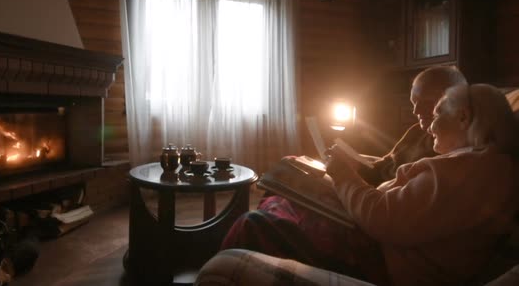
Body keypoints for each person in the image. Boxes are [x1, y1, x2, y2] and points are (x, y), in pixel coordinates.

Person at [219, 67, 467, 280]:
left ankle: (246, 263)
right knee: (288, 174)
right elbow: (385, 163)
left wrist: (346, 175)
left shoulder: (450, 155)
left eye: (427, 104)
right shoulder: (417, 132)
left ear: (456, 104)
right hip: (363, 192)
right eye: (414, 104)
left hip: (366, 210)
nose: (417, 113)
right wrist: (354, 160)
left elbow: (390, 209)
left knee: (255, 222)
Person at [322, 83, 519, 285]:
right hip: (375, 238)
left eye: (436, 115)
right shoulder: (483, 165)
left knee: (291, 201)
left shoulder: (471, 170)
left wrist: (342, 175)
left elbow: (383, 217)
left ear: (462, 117)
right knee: (296, 174)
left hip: (383, 260)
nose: (430, 127)